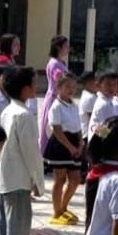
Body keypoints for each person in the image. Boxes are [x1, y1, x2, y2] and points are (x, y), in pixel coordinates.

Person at [0, 66, 45, 235]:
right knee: (19, 222)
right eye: (33, 83)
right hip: (19, 176)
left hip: (6, 173)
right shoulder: (24, 115)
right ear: (25, 89)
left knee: (5, 221)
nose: (36, 87)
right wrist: (37, 179)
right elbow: (31, 151)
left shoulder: (8, 110)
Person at [45, 73, 84, 225]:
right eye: (68, 86)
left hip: (74, 141)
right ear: (59, 87)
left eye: (74, 87)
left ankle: (64, 206)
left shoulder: (74, 105)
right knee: (59, 179)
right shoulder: (56, 106)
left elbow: (78, 126)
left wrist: (80, 143)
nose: (71, 90)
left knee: (75, 179)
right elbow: (57, 129)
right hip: (61, 144)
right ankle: (56, 212)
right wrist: (70, 147)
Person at [39, 35, 71, 152]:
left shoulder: (61, 62)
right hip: (54, 98)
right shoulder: (55, 64)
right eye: (66, 46)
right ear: (58, 47)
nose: (68, 49)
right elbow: (59, 80)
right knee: (50, 127)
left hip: (59, 97)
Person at [89, 72, 118, 137]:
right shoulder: (103, 104)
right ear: (98, 85)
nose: (112, 87)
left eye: (114, 84)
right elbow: (104, 132)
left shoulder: (110, 101)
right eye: (108, 84)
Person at [78, 71, 99, 136]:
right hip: (89, 135)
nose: (98, 83)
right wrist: (107, 135)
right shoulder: (89, 98)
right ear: (88, 83)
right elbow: (94, 121)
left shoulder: (91, 95)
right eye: (95, 81)